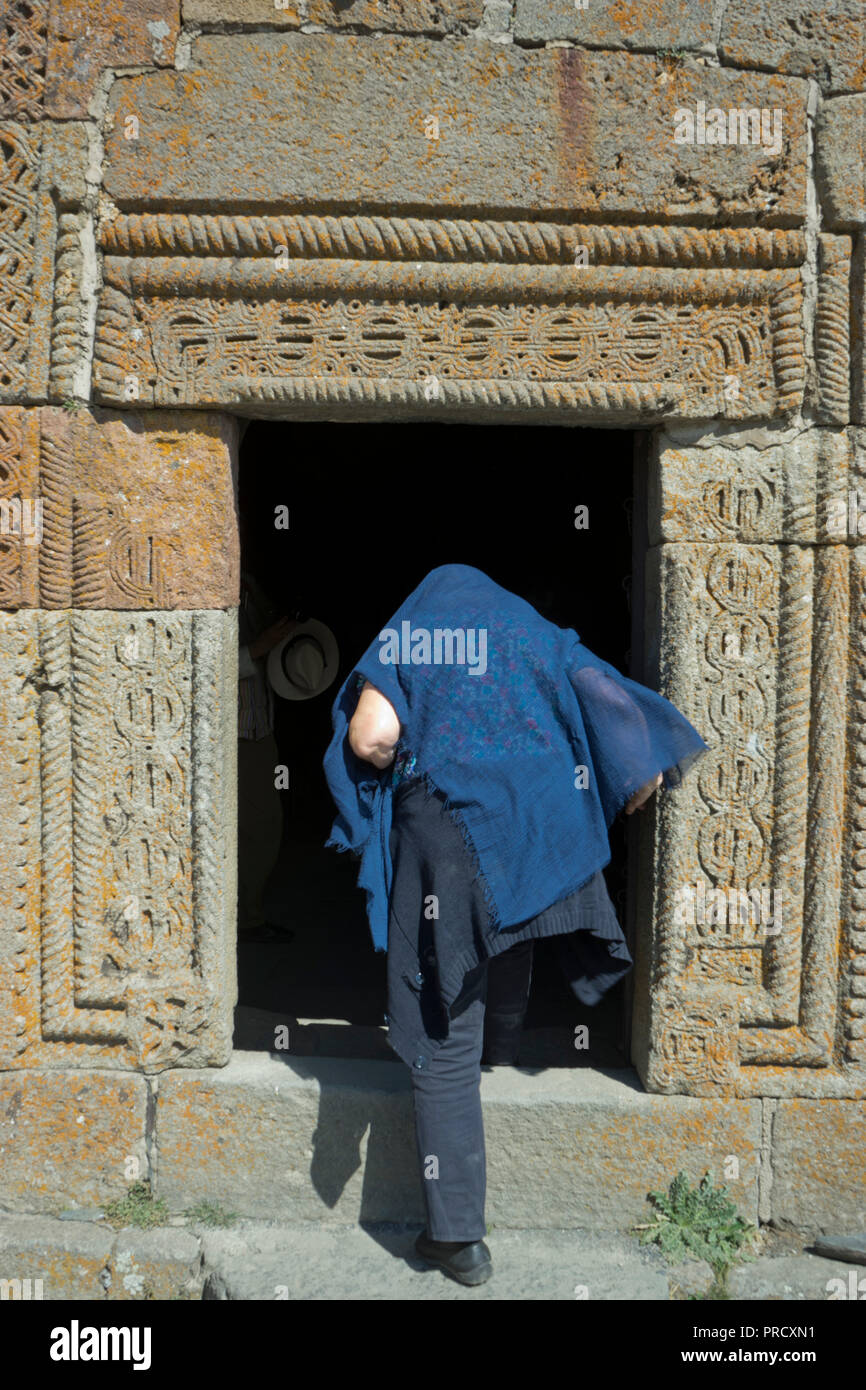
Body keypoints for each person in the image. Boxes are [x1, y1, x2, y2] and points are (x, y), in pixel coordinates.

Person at [322, 564, 707, 1286]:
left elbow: (373, 737)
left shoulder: (418, 626)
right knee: (512, 906)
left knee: (443, 1023)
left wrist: (407, 764)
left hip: (444, 826)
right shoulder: (527, 632)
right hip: (528, 816)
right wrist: (623, 776)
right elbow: (615, 716)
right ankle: (500, 1045)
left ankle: (457, 1238)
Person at [237, 563, 297, 942]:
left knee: (262, 826)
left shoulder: (250, 590)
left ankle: (246, 915)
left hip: (258, 729)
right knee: (259, 827)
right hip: (234, 732)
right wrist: (259, 647)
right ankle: (246, 919)